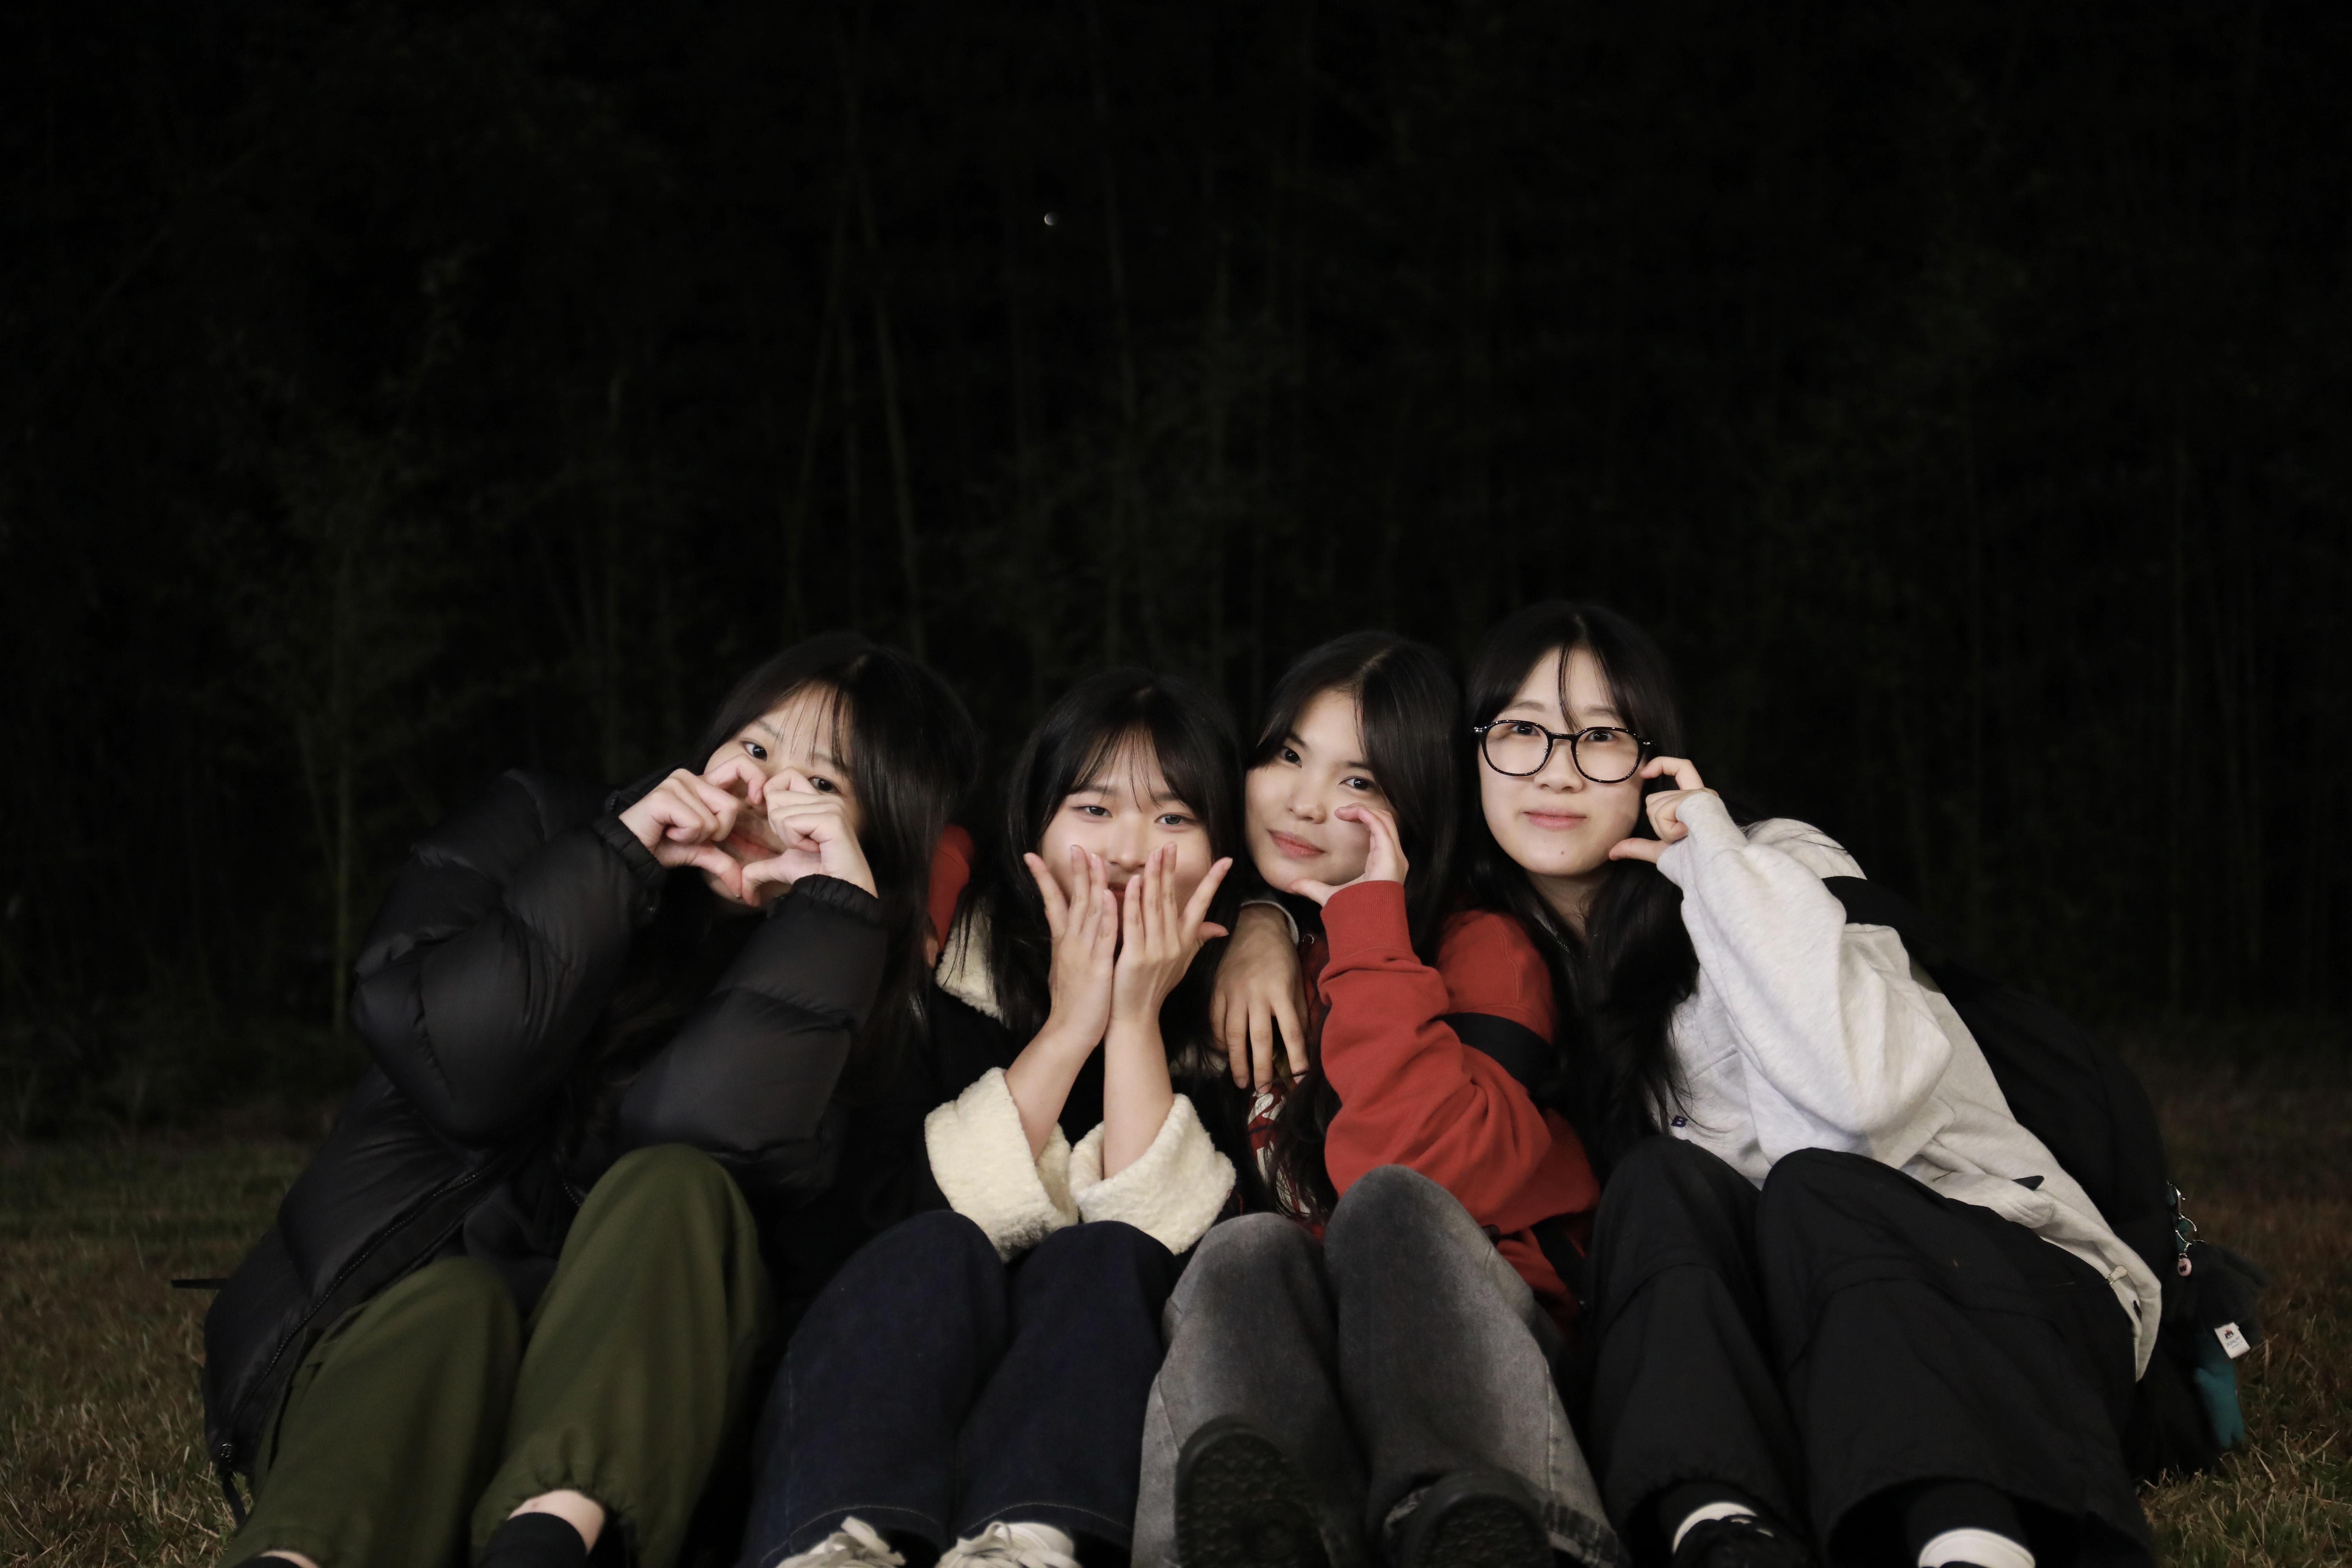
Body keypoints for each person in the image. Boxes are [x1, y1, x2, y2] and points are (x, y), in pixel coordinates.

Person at [202, 631, 977, 1568]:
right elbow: (456, 1067)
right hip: (378, 1353)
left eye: (821, 783)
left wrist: (827, 918)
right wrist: (619, 858)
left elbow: (702, 1143)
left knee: (677, 1187)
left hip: (625, 1420)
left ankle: (549, 1543)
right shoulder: (544, 823)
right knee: (456, 1306)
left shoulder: (857, 995)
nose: (766, 788)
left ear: (873, 833)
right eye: (757, 746)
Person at [1462, 601, 2160, 1568]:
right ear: (1476, 753)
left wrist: (1713, 863)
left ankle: (1970, 1542)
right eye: (1523, 730)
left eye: (1603, 736)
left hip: (1998, 1301)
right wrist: (1265, 923)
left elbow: (1857, 1106)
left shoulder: (1773, 863)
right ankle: (1722, 1532)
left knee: (1814, 1185)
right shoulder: (1504, 956)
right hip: (1813, 1359)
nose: (1559, 770)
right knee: (1656, 1186)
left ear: (1657, 760)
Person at [738, 668, 1252, 1568]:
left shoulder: (1236, 1018)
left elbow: (1160, 1255)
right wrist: (1069, 1026)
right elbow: (887, 1224)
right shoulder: (933, 968)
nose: (1130, 849)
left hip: (1080, 1447)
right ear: (1035, 824)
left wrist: (1133, 1017)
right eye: (1094, 808)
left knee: (1101, 1259)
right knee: (936, 1246)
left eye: (1173, 817)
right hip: (882, 1404)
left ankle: (1026, 1547)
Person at [1135, 633, 1622, 1568]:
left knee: (1390, 1207)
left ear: (1420, 809)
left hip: (1473, 1367)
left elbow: (1417, 1169)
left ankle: (1489, 1531)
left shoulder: (1482, 947)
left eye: (1359, 780)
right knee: (1240, 1251)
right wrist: (1263, 917)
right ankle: (1256, 1549)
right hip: (1308, 1374)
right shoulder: (1216, 937)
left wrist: (1365, 923)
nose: (1306, 801)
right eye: (1288, 754)